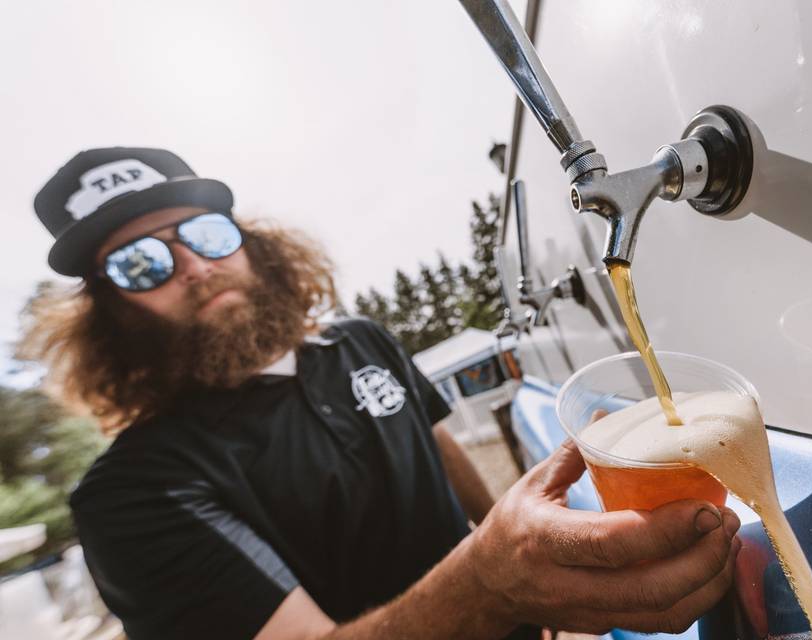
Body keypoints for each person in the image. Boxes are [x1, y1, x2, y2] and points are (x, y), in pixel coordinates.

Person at [21, 147, 742, 640]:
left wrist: (535, 572)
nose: (191, 266)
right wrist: (497, 585)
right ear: (107, 311)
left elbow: (436, 447)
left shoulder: (361, 342)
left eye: (204, 232)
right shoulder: (135, 494)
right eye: (139, 262)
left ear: (249, 242)